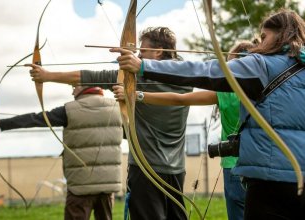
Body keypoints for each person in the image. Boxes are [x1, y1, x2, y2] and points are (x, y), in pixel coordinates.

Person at [112, 9, 305, 220]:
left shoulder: (261, 64)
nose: (259, 43)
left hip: (269, 180)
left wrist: (143, 66)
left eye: (264, 37)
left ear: (280, 35)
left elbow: (206, 70)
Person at [28, 27, 193, 220]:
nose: (139, 55)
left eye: (143, 51)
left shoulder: (138, 79)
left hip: (145, 170)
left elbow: (90, 77)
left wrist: (47, 76)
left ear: (158, 52)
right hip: (177, 169)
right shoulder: (186, 76)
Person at [113, 41, 256, 220]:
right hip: (263, 166)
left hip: (233, 166)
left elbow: (180, 99)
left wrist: (137, 95)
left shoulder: (227, 92)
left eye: (229, 65)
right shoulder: (268, 88)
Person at [0, 86, 123, 220]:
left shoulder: (69, 110)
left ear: (82, 86)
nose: (72, 91)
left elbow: (36, 118)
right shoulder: (117, 109)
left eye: (74, 86)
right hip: (107, 187)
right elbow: (132, 135)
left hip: (80, 186)